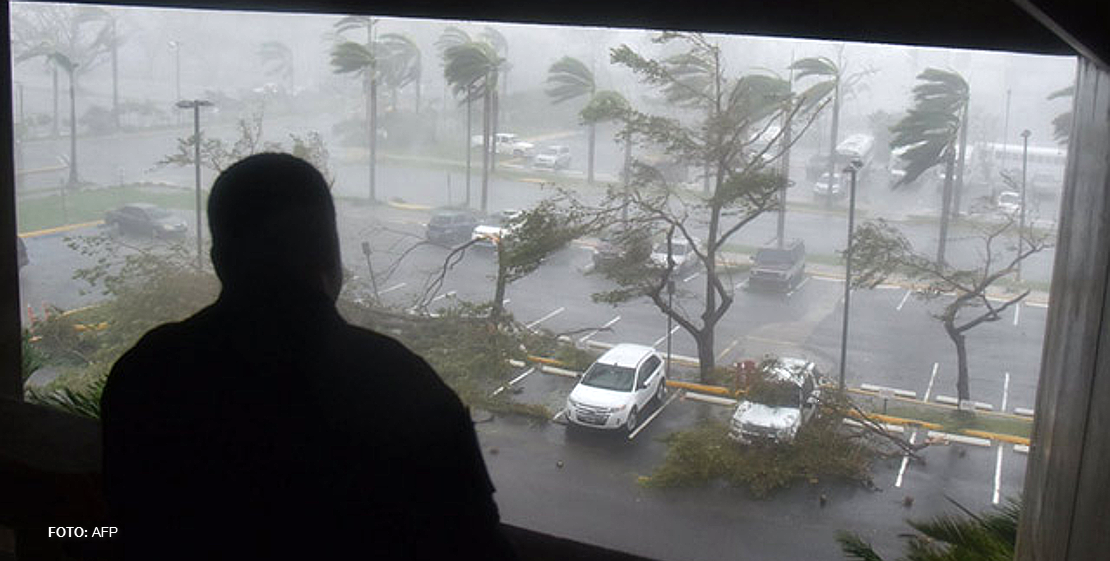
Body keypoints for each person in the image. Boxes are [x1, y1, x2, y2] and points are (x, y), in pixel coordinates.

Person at [100, 153, 516, 560]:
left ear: (219, 261)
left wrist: (58, 525)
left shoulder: (149, 372)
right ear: (331, 257)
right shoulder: (402, 385)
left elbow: (120, 524)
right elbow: (475, 540)